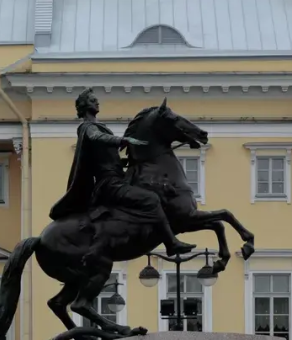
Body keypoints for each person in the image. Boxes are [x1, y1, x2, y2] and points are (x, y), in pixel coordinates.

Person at [50, 88, 195, 256]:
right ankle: (171, 243)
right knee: (151, 199)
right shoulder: (87, 127)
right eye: (92, 100)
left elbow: (106, 158)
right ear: (84, 106)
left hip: (117, 179)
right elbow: (97, 137)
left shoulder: (99, 126)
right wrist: (123, 140)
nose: (97, 102)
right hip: (109, 184)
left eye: (96, 100)